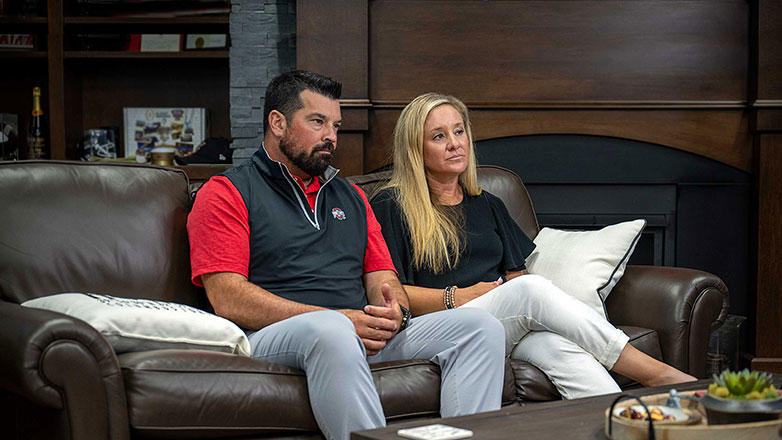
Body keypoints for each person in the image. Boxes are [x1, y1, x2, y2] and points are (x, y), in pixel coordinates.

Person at [186, 73, 506, 440]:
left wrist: (393, 313)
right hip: (270, 336)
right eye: (317, 122)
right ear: (278, 123)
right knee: (331, 329)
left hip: (354, 331)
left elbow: (383, 278)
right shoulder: (227, 192)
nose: (331, 137)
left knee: (479, 328)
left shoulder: (350, 196)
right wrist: (338, 318)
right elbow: (227, 297)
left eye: (335, 125)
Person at [370, 92, 697, 400]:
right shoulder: (392, 204)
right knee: (530, 290)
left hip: (501, 323)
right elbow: (390, 294)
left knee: (563, 352)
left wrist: (509, 299)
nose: (455, 144)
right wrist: (456, 296)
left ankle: (622, 420)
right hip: (440, 325)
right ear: (416, 147)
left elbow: (515, 276)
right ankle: (656, 374)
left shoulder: (488, 204)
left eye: (459, 131)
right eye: (439, 136)